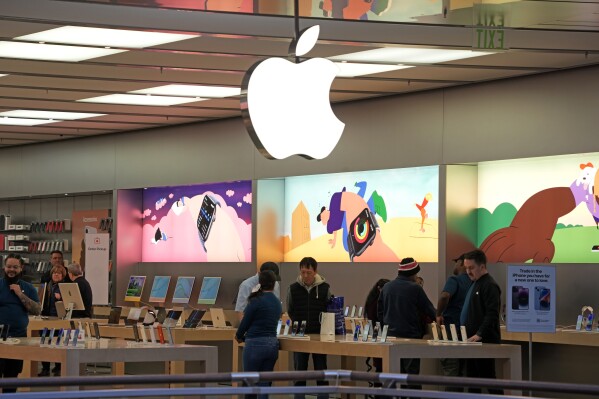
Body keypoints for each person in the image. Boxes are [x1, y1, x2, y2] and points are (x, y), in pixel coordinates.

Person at [378, 257, 435, 392]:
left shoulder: (387, 287)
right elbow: (429, 309)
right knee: (412, 378)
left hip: (391, 338)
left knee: (396, 377)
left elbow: (380, 312)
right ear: (412, 273)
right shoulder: (415, 289)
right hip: (411, 338)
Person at [287, 256, 332, 399]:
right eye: (303, 272)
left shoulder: (325, 288)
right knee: (300, 371)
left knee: (321, 371)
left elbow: (329, 309)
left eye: (308, 272)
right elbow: (290, 309)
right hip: (299, 335)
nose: (305, 275)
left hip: (319, 335)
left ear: (315, 271)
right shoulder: (293, 288)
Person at [461, 249, 502, 395]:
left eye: (471, 268)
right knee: (472, 379)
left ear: (482, 267)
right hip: (473, 340)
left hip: (485, 341)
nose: (468, 272)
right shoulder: (476, 284)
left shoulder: (489, 285)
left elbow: (492, 314)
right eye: (466, 268)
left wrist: (479, 334)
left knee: (488, 378)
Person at [235, 270, 282, 399]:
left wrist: (238, 336)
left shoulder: (255, 301)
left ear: (260, 283)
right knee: (264, 384)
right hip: (272, 345)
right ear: (274, 284)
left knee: (250, 383)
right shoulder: (277, 303)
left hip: (255, 344)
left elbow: (245, 322)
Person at [0, 254, 41, 392]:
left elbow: (37, 310)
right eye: (9, 266)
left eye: (15, 267)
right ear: (4, 267)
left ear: (21, 268)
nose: (11, 269)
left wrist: (20, 294)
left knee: (12, 377)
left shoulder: (28, 288)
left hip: (19, 338)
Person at [436, 253, 472, 390]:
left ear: (462, 263)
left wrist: (438, 314)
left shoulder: (454, 280)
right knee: (462, 372)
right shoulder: (474, 281)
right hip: (468, 332)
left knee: (451, 369)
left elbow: (445, 295)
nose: (454, 265)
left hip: (451, 330)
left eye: (456, 262)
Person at [39, 265, 67, 377]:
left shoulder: (65, 287)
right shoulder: (46, 286)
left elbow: (70, 303)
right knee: (45, 343)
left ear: (63, 275)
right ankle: (45, 368)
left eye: (59, 273)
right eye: (54, 273)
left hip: (58, 320)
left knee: (58, 344)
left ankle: (58, 367)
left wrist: (61, 298)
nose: (56, 274)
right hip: (46, 319)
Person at [364, 278, 389, 374]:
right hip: (380, 335)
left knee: (379, 367)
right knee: (381, 367)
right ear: (379, 289)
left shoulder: (372, 300)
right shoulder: (378, 302)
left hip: (375, 335)